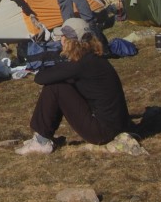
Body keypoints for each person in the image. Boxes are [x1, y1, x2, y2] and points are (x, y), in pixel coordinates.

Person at [15, 18, 130, 155]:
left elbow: (40, 78)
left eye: (63, 36)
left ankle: (41, 140)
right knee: (61, 85)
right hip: (116, 125)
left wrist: (55, 62)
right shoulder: (92, 59)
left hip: (102, 132)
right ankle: (43, 137)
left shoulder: (79, 65)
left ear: (70, 41)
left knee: (56, 87)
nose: (60, 39)